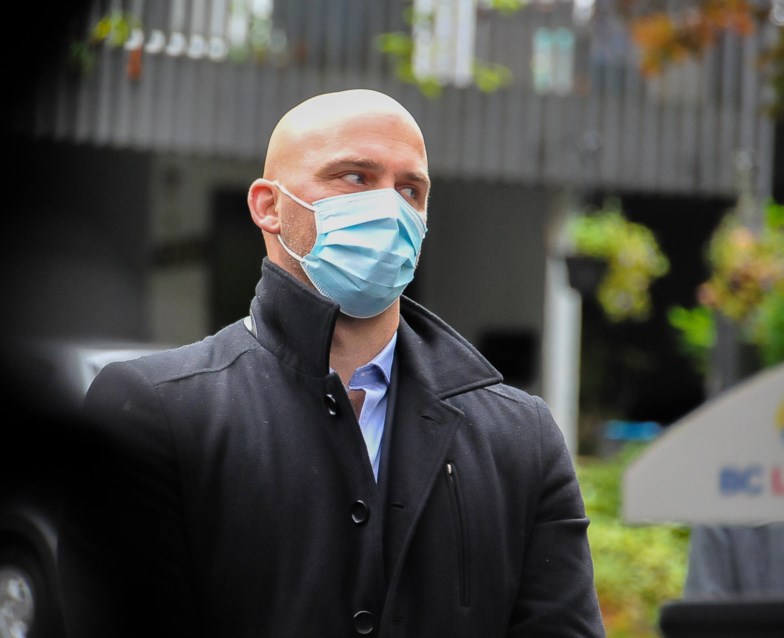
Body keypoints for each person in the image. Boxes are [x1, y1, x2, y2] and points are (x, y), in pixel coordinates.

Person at [58, 88, 606, 637]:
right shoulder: (155, 413)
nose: (390, 208)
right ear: (269, 207)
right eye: (355, 178)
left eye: (410, 189)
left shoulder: (520, 436)